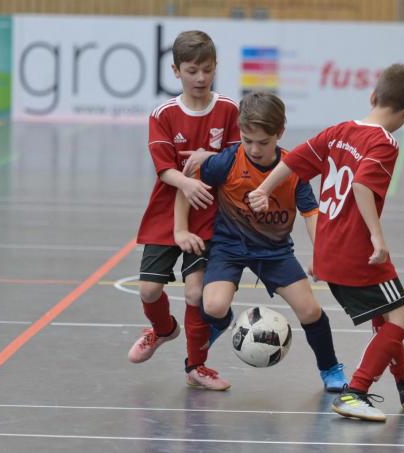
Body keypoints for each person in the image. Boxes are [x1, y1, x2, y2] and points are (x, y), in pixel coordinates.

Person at [248, 63, 404, 421]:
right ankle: (355, 392)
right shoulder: (384, 142)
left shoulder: (339, 131)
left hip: (328, 250)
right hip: (356, 250)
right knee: (402, 318)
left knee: (384, 314)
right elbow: (362, 186)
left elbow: (294, 159)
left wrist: (263, 189)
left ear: (373, 96)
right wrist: (378, 237)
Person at [174, 92, 348, 392]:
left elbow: (311, 213)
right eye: (247, 140)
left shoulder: (293, 169)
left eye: (263, 142)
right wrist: (179, 229)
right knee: (213, 305)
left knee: (310, 310)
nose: (254, 149)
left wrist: (321, 255)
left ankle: (331, 368)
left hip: (274, 252)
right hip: (229, 247)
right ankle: (220, 322)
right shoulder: (227, 161)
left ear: (279, 134)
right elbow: (186, 187)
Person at [129, 30, 241, 391]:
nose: (201, 78)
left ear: (215, 67)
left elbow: (236, 159)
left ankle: (197, 366)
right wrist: (187, 182)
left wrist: (211, 161)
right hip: (167, 210)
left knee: (195, 294)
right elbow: (164, 168)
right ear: (176, 71)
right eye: (192, 70)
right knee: (148, 290)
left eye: (207, 70)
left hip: (209, 212)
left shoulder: (228, 110)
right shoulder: (163, 114)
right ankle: (163, 329)